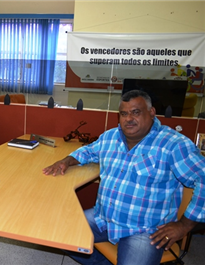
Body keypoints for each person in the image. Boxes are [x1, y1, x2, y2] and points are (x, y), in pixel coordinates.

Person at [43, 90, 205, 265]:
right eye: (123, 113)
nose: (128, 119)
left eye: (136, 112)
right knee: (55, 232)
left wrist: (184, 226)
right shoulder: (111, 137)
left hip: (144, 230)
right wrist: (66, 161)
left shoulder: (173, 144)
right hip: (103, 217)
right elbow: (88, 151)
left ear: (151, 113)